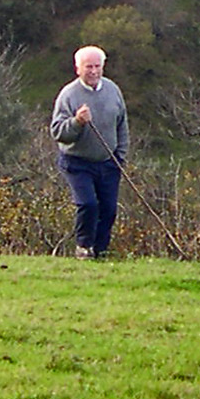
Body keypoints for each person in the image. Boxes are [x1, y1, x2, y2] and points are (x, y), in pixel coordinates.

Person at [50, 45, 129, 258]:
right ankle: (83, 248)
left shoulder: (113, 90)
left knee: (109, 210)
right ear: (78, 69)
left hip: (108, 161)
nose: (93, 71)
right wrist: (77, 122)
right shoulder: (68, 95)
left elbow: (122, 124)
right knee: (88, 204)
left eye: (97, 66)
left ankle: (101, 251)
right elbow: (58, 132)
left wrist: (120, 155)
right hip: (77, 163)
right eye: (88, 67)